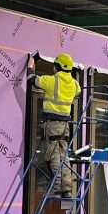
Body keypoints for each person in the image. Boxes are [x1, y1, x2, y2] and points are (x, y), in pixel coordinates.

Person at [29, 53, 78, 198]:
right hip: (65, 126)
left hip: (52, 125)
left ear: (57, 67)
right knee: (64, 157)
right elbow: (78, 91)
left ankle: (56, 189)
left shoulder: (52, 81)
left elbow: (31, 79)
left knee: (53, 157)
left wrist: (31, 65)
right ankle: (67, 189)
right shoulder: (75, 84)